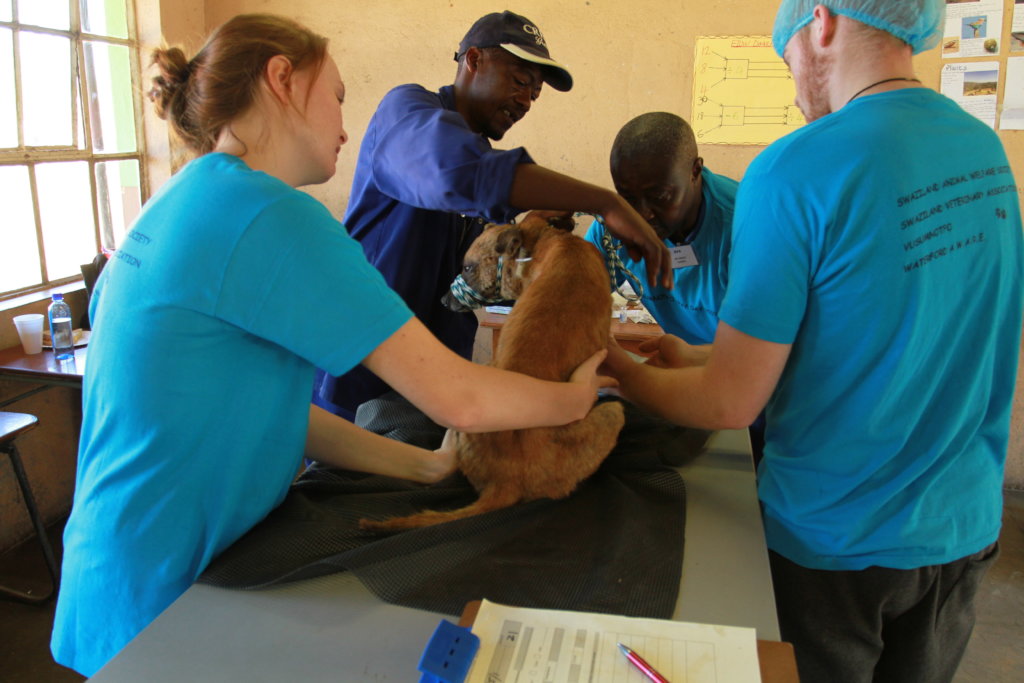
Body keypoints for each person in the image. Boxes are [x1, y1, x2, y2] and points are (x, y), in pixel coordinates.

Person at [49, 14, 617, 677]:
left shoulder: (184, 197)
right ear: (283, 80)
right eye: (339, 96)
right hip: (170, 597)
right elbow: (459, 397)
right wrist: (575, 397)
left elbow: (274, 409)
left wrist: (427, 469)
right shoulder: (272, 214)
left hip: (110, 569)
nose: (350, 124)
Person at [601, 1, 1023, 681]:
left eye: (787, 58)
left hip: (839, 545)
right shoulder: (983, 152)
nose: (795, 89)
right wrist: (699, 353)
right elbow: (862, 336)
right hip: (961, 525)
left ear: (820, 23)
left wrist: (619, 369)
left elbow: (732, 401)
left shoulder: (792, 170)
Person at [312, 10, 671, 421]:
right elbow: (457, 173)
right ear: (474, 60)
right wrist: (606, 203)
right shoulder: (407, 113)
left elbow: (463, 287)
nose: (525, 101)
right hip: (362, 379)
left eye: (535, 94)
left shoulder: (477, 158)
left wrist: (527, 232)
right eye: (520, 82)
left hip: (435, 389)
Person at [584, 111, 738, 351]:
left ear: (695, 171)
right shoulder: (613, 225)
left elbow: (768, 349)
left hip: (752, 369)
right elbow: (573, 301)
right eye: (628, 197)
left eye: (659, 196)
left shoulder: (745, 226)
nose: (643, 215)